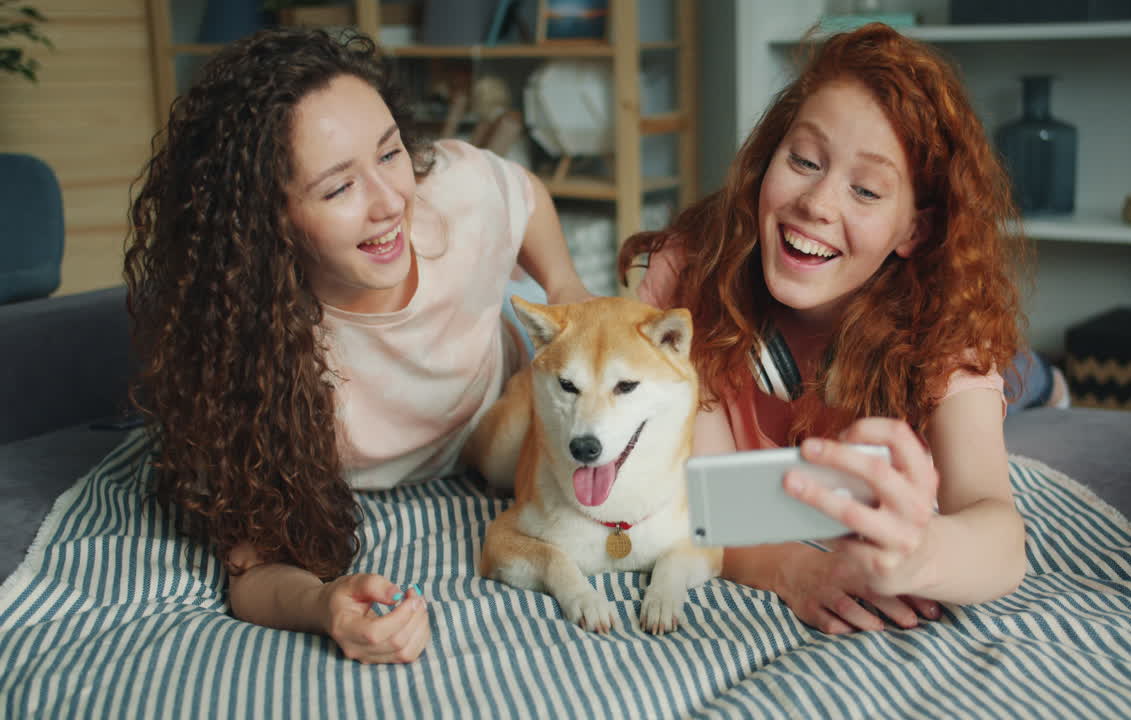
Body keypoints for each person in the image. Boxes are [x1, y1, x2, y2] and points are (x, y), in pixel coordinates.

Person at [125, 27, 590, 663]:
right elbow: (252, 573)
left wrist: (565, 283)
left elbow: (524, 194)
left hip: (501, 398)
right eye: (339, 188)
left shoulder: (452, 192)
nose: (388, 202)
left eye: (391, 153)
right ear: (270, 222)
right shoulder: (252, 360)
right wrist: (323, 606)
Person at [620, 23, 1037, 634]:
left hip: (960, 369)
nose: (818, 203)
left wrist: (921, 555)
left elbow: (1001, 534)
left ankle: (1046, 387)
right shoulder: (689, 276)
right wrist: (796, 569)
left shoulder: (944, 329)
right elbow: (701, 506)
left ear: (913, 232)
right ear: (768, 160)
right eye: (805, 160)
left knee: (1023, 388)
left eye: (866, 190)